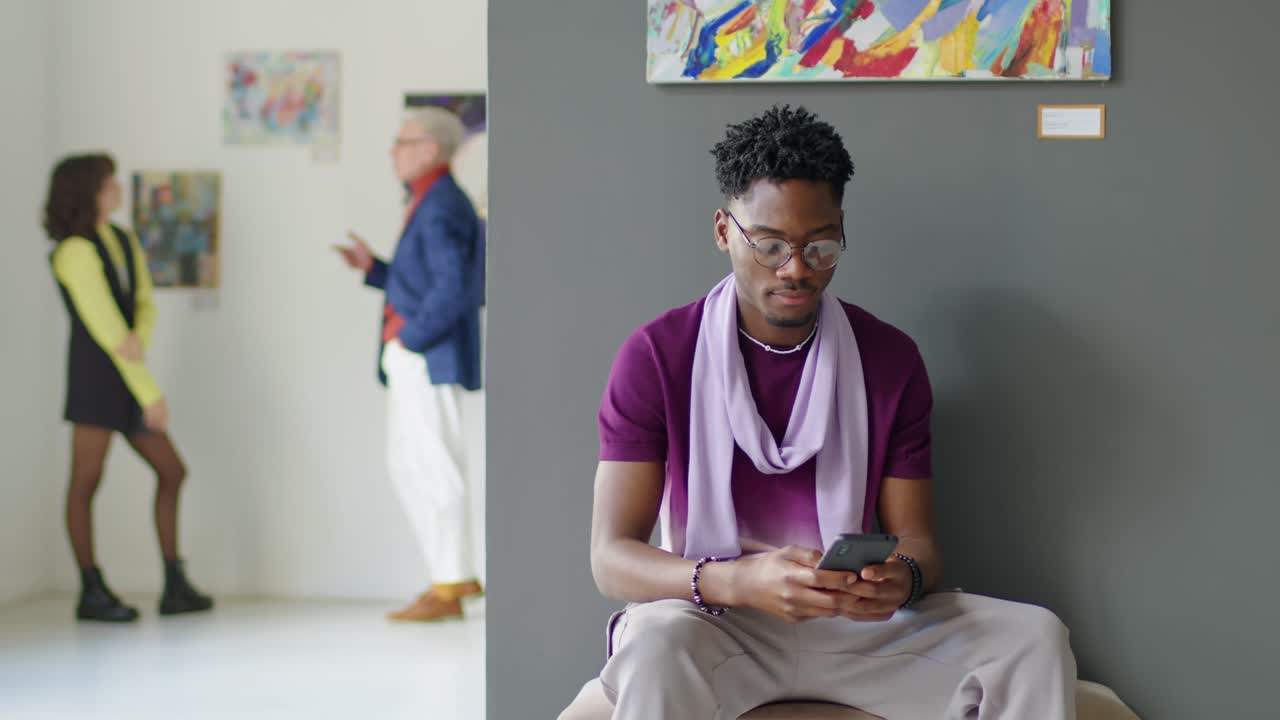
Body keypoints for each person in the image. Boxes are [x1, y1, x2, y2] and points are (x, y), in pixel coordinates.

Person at [578, 106, 1077, 718]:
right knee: (655, 648)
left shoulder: (890, 358)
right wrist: (735, 580)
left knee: (1033, 640)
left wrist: (904, 578)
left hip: (856, 627)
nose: (796, 269)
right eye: (768, 244)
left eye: (820, 244)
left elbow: (918, 540)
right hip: (718, 621)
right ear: (723, 230)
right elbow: (610, 558)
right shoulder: (656, 355)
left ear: (840, 230)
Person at [43, 153, 213, 623]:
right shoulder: (73, 251)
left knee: (172, 471)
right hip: (97, 379)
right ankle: (91, 587)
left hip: (127, 371)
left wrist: (141, 338)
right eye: (106, 183)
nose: (116, 187)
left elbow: (143, 306)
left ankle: (174, 582)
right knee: (86, 480)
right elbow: (106, 329)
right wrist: (148, 393)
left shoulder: (121, 239)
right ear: (87, 192)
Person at [335, 107, 485, 622]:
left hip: (426, 355)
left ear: (430, 149)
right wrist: (376, 268)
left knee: (432, 465)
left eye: (402, 141)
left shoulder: (441, 205)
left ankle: (451, 583)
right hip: (419, 353)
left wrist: (411, 340)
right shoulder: (431, 201)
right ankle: (445, 578)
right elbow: (425, 281)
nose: (393, 150)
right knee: (414, 463)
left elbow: (457, 287)